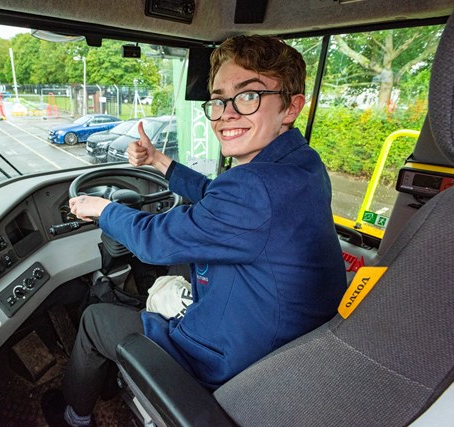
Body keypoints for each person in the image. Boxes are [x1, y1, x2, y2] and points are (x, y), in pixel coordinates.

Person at [42, 34, 347, 427]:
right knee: (168, 281)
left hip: (225, 359)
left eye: (248, 96)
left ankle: (74, 417)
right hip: (277, 347)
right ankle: (107, 371)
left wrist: (102, 209)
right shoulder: (301, 166)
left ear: (291, 106)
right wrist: (159, 162)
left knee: (97, 318)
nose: (226, 113)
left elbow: (154, 241)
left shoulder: (255, 187)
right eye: (218, 100)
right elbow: (216, 198)